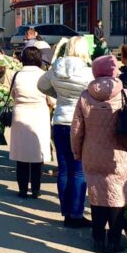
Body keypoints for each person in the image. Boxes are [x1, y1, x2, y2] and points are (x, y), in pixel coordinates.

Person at [71, 54, 127, 253]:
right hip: (121, 153)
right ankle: (114, 239)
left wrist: (77, 151)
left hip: (92, 153)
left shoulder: (85, 96)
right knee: (118, 195)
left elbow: (76, 128)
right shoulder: (126, 95)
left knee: (96, 194)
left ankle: (98, 238)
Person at [40, 36, 92, 228]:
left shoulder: (57, 67)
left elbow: (41, 85)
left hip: (60, 119)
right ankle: (76, 212)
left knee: (64, 168)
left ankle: (66, 210)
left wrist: (58, 96)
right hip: (79, 122)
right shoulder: (88, 71)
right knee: (79, 170)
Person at [9, 46, 52, 199]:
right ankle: (35, 189)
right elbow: (51, 99)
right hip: (39, 113)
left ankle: (22, 189)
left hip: (20, 112)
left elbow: (13, 94)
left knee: (21, 154)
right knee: (36, 154)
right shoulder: (44, 75)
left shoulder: (17, 75)